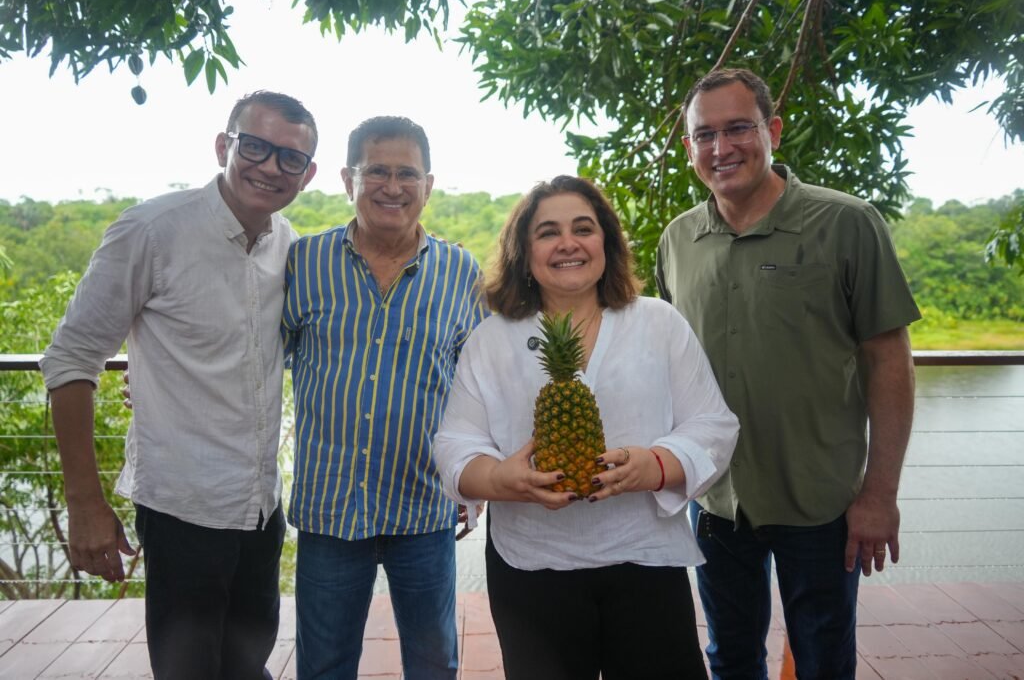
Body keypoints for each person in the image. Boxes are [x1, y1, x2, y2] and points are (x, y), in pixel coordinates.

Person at [40, 90, 318, 679]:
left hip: (260, 508)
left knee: (247, 663)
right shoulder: (151, 231)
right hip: (183, 510)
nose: (270, 167)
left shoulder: (287, 244)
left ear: (308, 174)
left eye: (289, 158)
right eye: (256, 146)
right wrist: (85, 504)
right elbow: (70, 360)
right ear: (225, 146)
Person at [655, 68, 920, 679]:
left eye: (738, 128)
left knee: (824, 658)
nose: (722, 148)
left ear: (772, 130)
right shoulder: (679, 240)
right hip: (717, 502)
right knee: (730, 657)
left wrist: (879, 494)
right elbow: (672, 367)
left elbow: (889, 359)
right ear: (690, 147)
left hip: (822, 505)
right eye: (704, 135)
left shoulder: (847, 223)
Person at [432, 175, 740, 680]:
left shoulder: (657, 323)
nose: (568, 243)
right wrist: (498, 480)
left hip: (644, 560)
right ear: (524, 252)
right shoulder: (492, 338)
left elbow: (714, 424)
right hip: (531, 568)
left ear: (607, 243)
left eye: (584, 228)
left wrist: (655, 465)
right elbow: (455, 443)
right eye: (548, 232)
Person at [282, 116, 487, 680]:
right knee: (323, 665)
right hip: (330, 509)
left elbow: (480, 383)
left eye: (406, 174)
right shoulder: (304, 263)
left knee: (433, 662)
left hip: (424, 504)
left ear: (428, 184)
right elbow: (252, 358)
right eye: (377, 171)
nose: (391, 187)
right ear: (349, 179)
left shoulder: (460, 271)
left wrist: (477, 474)